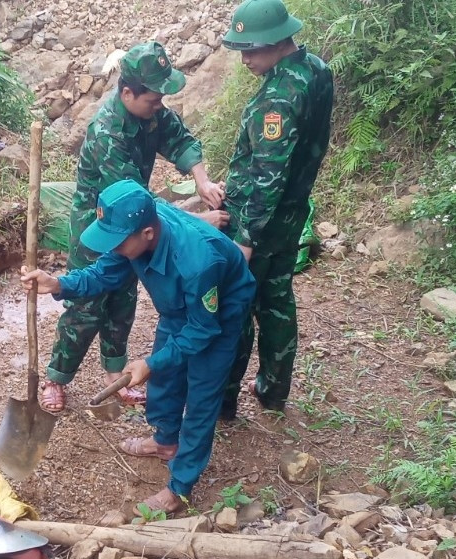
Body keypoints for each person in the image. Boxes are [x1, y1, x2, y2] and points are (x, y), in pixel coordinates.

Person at [22, 180, 256, 513]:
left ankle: (179, 487)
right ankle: (165, 441)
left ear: (147, 233)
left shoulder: (197, 260)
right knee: (165, 375)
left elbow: (203, 329)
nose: (112, 247)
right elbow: (104, 273)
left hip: (218, 310)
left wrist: (150, 363)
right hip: (178, 304)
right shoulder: (135, 233)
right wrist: (58, 283)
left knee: (202, 393)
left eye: (116, 241)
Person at [41, 40, 228, 414]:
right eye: (153, 100)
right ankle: (57, 377)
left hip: (135, 222)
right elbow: (139, 207)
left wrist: (202, 181)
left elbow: (181, 139)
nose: (159, 106)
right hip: (101, 225)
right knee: (87, 305)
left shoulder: (151, 112)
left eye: (161, 99)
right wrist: (196, 220)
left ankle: (114, 374)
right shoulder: (106, 133)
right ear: (127, 92)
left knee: (123, 299)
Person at [211, 0, 334, 418]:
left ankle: (222, 402)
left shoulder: (278, 98)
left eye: (252, 49)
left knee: (236, 305)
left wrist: (246, 238)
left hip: (257, 221)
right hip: (290, 213)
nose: (245, 58)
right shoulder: (315, 69)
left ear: (280, 41)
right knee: (277, 298)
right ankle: (274, 390)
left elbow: (269, 173)